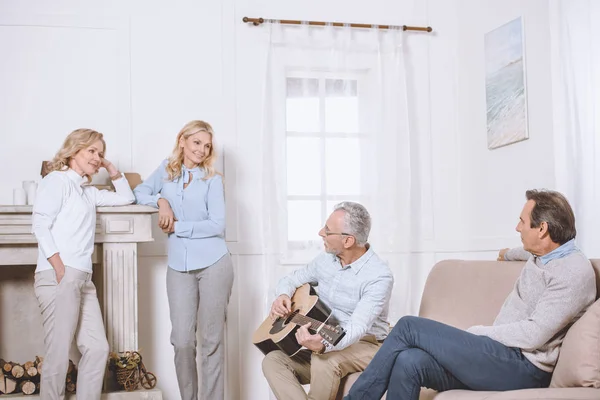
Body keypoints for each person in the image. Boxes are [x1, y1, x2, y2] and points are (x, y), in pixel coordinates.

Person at [345, 189, 597, 400]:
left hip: (523, 366)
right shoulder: (544, 252)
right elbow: (526, 253)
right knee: (409, 361)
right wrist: (507, 253)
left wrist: (478, 332)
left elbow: (533, 335)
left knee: (408, 326)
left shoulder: (572, 273)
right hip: (499, 357)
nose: (517, 227)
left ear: (542, 229)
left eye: (522, 221)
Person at [32, 128, 136, 400]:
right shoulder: (57, 181)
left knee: (98, 348)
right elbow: (40, 224)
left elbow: (127, 198)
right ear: (73, 150)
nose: (97, 157)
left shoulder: (87, 192)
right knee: (58, 350)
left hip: (83, 280)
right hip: (60, 275)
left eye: (100, 153)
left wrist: (112, 169)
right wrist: (59, 268)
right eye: (91, 150)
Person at [134, 120, 233, 400]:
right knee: (182, 341)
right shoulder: (166, 170)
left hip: (214, 263)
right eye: (197, 142)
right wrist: (161, 203)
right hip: (178, 266)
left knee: (211, 341)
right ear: (182, 141)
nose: (202, 150)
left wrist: (178, 227)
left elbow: (217, 224)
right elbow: (139, 192)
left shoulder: (212, 179)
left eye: (207, 145)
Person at [262, 201, 394, 400]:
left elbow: (357, 327)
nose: (320, 233)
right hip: (326, 336)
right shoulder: (325, 260)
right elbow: (290, 279)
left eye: (328, 230)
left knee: (325, 359)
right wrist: (282, 295)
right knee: (273, 360)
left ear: (348, 241)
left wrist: (323, 345)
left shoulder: (379, 276)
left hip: (368, 344)